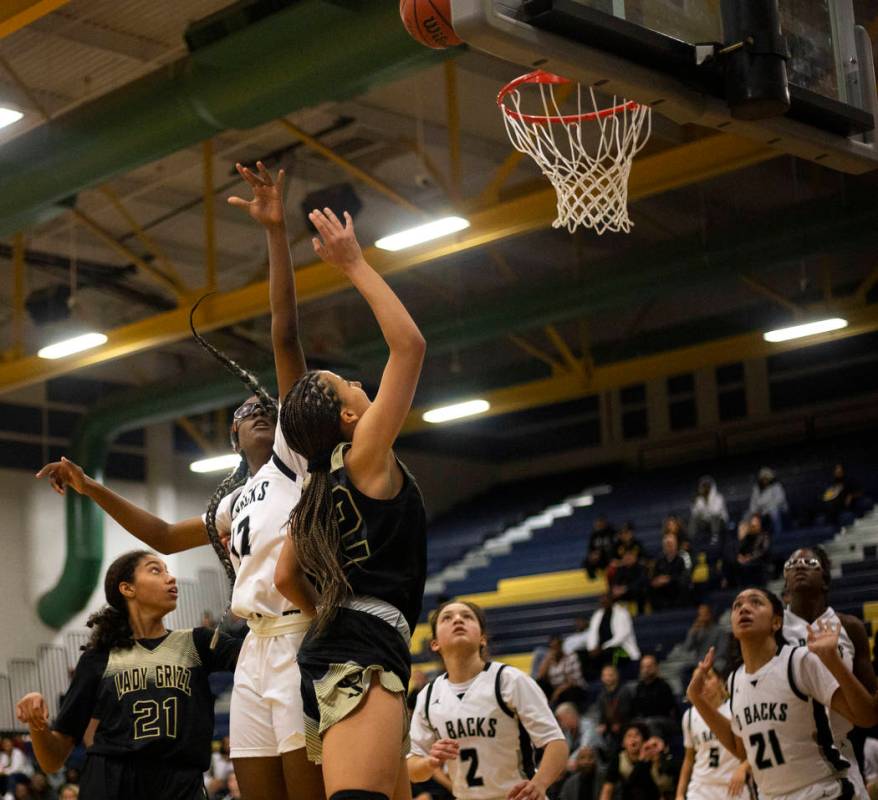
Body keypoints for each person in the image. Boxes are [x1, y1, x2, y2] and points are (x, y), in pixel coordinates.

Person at [35, 163, 324, 800]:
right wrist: (90, 487)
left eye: (267, 408)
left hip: (301, 633)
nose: (259, 412)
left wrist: (275, 233)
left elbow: (285, 335)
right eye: (245, 412)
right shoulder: (233, 500)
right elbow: (163, 535)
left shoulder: (294, 461)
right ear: (230, 438)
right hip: (253, 650)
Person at [271, 205, 427, 800]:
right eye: (350, 385)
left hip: (344, 640)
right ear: (349, 417)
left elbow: (288, 576)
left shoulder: (311, 490)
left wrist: (329, 609)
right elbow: (409, 347)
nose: (361, 384)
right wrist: (355, 263)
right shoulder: (362, 455)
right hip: (362, 645)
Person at [15, 551, 241, 800]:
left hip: (181, 785)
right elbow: (53, 760)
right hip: (111, 784)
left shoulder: (197, 642)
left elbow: (255, 655)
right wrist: (36, 724)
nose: (171, 578)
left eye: (168, 570)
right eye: (156, 570)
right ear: (127, 588)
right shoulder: (98, 658)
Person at [686, 587, 878, 800]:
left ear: (776, 623)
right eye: (737, 605)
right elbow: (742, 750)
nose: (744, 608)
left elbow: (867, 717)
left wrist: (833, 662)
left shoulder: (799, 662)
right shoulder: (735, 680)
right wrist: (697, 700)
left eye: (756, 602)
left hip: (821, 791)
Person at [407, 601, 568, 800]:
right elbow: (412, 769)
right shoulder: (428, 695)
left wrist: (540, 783)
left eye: (467, 616)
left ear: (482, 638)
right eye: (447, 618)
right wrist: (430, 762)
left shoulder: (510, 680)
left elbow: (556, 743)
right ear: (435, 643)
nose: (457, 620)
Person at [783, 546, 878, 799]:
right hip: (787, 765)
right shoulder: (772, 631)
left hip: (841, 759)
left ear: (825, 579)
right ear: (785, 584)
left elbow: (870, 708)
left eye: (809, 561)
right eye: (791, 564)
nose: (799, 565)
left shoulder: (850, 628)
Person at [675, 667, 749, 800]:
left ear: (720, 681)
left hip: (733, 786)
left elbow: (753, 750)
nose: (703, 684)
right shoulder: (690, 715)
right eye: (698, 680)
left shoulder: (736, 709)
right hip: (701, 787)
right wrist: (680, 794)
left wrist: (744, 767)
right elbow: (689, 758)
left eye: (708, 678)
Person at [598, 723, 676, 800]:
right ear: (623, 743)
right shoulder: (618, 759)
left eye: (637, 735)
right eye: (629, 736)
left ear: (644, 740)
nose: (633, 739)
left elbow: (664, 786)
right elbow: (608, 789)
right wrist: (641, 762)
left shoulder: (652, 757)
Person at [580, 595, 641, 679]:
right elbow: (592, 633)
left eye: (606, 601)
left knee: (609, 653)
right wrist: (592, 648)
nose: (604, 604)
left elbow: (621, 636)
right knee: (583, 656)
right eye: (602, 602)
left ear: (611, 601)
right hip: (601, 649)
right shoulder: (598, 615)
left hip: (619, 647)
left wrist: (603, 647)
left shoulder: (622, 613)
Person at [629, 656, 678, 741]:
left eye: (649, 666)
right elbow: (635, 708)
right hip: (645, 719)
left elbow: (667, 709)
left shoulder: (664, 686)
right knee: (631, 724)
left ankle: (656, 750)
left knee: (651, 722)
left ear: (656, 668)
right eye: (643, 667)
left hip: (665, 720)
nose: (646, 670)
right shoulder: (639, 687)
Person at [536, 636, 589, 708]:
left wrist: (557, 693)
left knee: (569, 693)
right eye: (552, 647)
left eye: (556, 647)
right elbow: (540, 677)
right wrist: (547, 660)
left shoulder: (571, 657)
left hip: (573, 687)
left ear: (561, 646)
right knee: (540, 684)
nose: (555, 650)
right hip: (555, 688)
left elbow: (571, 681)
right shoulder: (549, 659)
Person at [679, 605, 729, 679]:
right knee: (685, 671)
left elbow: (722, 651)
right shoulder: (697, 630)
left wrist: (709, 661)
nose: (703, 617)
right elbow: (687, 648)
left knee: (718, 667)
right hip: (699, 662)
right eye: (700, 615)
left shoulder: (719, 631)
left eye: (705, 614)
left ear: (710, 615)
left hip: (715, 661)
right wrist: (692, 634)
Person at [607, 524, 648, 614]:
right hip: (624, 584)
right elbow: (612, 561)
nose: (624, 535)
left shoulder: (637, 545)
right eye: (622, 533)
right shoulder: (617, 546)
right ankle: (613, 615)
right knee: (611, 593)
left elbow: (645, 559)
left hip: (633, 587)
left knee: (641, 590)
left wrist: (626, 588)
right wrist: (616, 588)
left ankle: (641, 613)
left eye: (626, 533)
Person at [648, 531, 690, 611]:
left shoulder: (681, 559)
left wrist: (668, 579)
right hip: (662, 591)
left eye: (671, 544)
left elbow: (684, 576)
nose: (669, 547)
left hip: (676, 589)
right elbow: (654, 576)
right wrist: (656, 581)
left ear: (676, 545)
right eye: (667, 545)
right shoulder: (659, 561)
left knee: (683, 585)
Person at [596, 665, 633, 753]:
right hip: (610, 724)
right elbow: (601, 713)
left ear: (616, 676)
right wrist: (602, 723)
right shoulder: (602, 695)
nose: (607, 678)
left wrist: (618, 722)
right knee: (599, 731)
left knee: (617, 732)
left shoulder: (624, 691)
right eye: (605, 675)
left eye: (610, 675)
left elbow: (626, 711)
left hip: (625, 722)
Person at [688, 477, 728, 557]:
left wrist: (707, 503)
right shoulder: (699, 499)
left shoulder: (718, 497)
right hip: (706, 524)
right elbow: (695, 514)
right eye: (703, 486)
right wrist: (694, 502)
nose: (705, 488)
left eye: (707, 486)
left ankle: (715, 538)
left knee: (714, 517)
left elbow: (715, 512)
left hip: (720, 523)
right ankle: (691, 540)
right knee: (694, 519)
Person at [729, 515, 770, 588]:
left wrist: (749, 558)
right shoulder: (747, 537)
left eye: (757, 523)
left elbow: (763, 551)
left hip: (759, 567)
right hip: (746, 569)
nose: (754, 526)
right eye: (753, 524)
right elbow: (739, 551)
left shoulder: (764, 536)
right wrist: (741, 538)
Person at [747, 467, 788, 534]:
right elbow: (753, 503)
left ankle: (778, 532)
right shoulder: (756, 489)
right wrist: (754, 512)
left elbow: (780, 500)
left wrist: (767, 506)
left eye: (766, 478)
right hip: (762, 511)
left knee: (774, 512)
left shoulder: (776, 486)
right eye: (763, 478)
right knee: (748, 516)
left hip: (778, 510)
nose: (765, 480)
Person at [582, 516, 617, 580]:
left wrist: (613, 557)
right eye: (597, 524)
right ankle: (593, 579)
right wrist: (593, 555)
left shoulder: (611, 532)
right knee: (586, 561)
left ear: (604, 524)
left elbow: (616, 546)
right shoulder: (594, 535)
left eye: (601, 524)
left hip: (609, 557)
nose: (599, 525)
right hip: (599, 558)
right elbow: (590, 549)